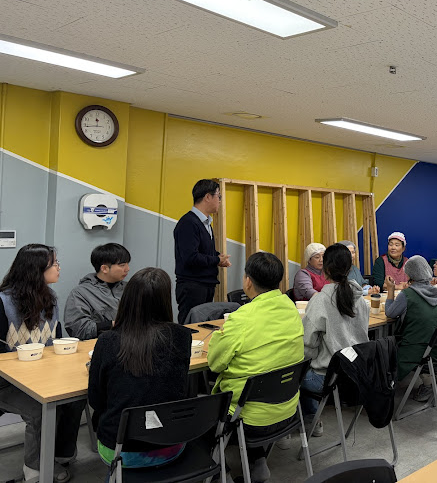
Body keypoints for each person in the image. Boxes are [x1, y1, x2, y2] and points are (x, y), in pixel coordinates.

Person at [208, 252, 303, 483]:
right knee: (256, 386)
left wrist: (218, 337)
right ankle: (257, 462)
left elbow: (215, 363)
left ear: (248, 281)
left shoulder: (241, 318)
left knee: (204, 415)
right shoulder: (291, 308)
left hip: (249, 420)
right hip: (288, 409)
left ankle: (221, 474)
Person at [88, 267, 191, 471]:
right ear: (165, 300)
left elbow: (96, 400)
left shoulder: (107, 341)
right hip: (170, 445)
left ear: (127, 299)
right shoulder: (182, 336)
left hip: (119, 450)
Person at [0, 244, 84, 483]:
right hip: (7, 383)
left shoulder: (50, 298)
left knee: (75, 399)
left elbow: (57, 339)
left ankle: (58, 456)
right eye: (54, 264)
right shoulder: (3, 302)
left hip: (44, 377)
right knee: (39, 409)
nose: (59, 268)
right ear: (36, 269)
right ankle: (35, 471)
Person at [301, 244, 370, 435]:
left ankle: (310, 421)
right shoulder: (360, 300)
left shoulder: (321, 300)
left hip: (329, 377)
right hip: (356, 373)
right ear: (349, 268)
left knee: (291, 376)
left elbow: (308, 346)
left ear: (326, 269)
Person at [385, 255, 437, 402]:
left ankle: (384, 386)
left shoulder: (408, 294)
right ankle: (428, 382)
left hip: (414, 351)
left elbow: (390, 313)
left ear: (409, 275)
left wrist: (391, 290)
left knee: (384, 349)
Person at [174, 179, 231, 324]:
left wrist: (218, 257)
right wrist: (216, 260)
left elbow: (203, 251)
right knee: (191, 328)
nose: (220, 201)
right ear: (207, 197)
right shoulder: (188, 223)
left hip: (205, 284)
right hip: (193, 287)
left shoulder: (205, 223)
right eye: (218, 196)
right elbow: (190, 257)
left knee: (203, 328)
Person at [64, 243, 131, 340]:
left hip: (133, 343)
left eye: (128, 264)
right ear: (104, 268)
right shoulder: (81, 293)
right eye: (122, 265)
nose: (127, 269)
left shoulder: (130, 288)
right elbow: (77, 329)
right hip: (99, 344)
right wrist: (111, 324)